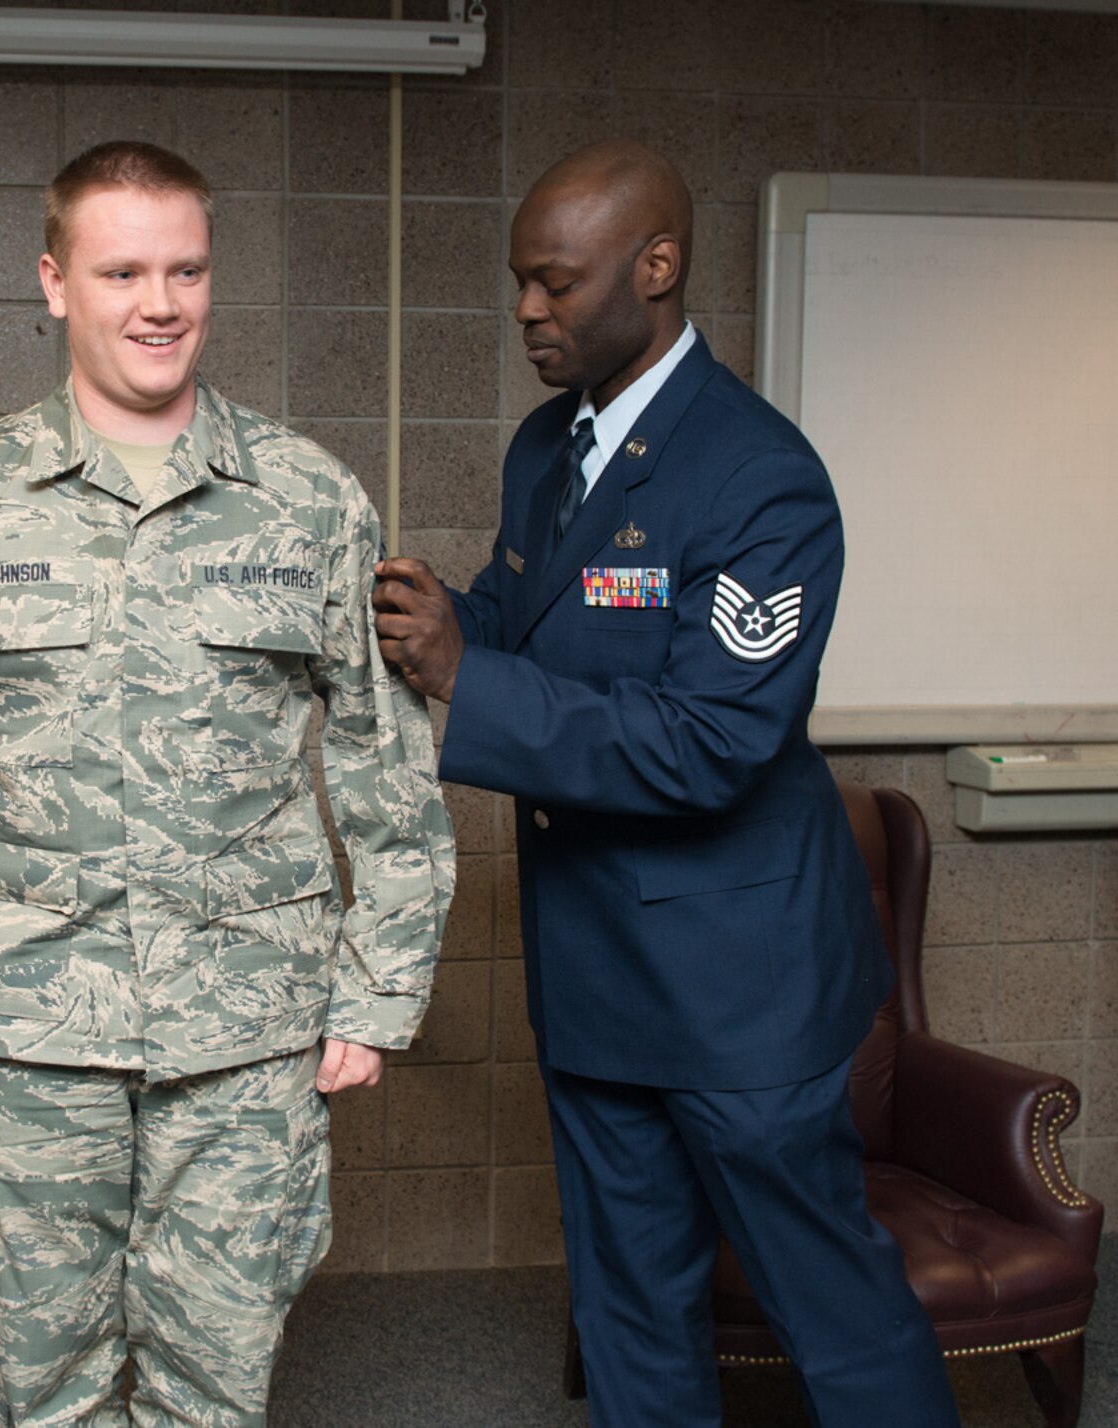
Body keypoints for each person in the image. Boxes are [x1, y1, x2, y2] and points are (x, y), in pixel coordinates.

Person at [0, 142, 455, 1428]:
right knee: (44, 1386)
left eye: (184, 269)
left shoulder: (308, 497)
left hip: (245, 1040)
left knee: (215, 1383)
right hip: (28, 1031)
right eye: (121, 271)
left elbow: (380, 756)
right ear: (54, 283)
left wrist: (379, 989)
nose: (158, 303)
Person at [372, 141, 957, 1425]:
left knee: (833, 1315)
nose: (526, 310)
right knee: (629, 1305)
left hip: (735, 992)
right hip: (591, 975)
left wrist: (468, 673)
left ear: (656, 266)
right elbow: (529, 630)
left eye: (554, 283)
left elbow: (710, 742)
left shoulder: (761, 478)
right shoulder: (546, 447)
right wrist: (429, 618)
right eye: (517, 283)